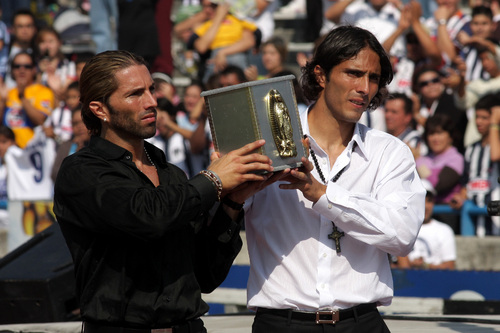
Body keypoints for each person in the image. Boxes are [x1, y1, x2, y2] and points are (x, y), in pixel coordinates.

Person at [53, 50, 275, 332]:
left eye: (151, 89)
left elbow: (205, 275)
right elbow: (148, 215)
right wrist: (214, 179)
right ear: (100, 110)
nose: (151, 102)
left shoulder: (172, 175)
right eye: (135, 94)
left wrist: (232, 202)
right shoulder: (81, 172)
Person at [242, 26, 425, 332]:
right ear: (321, 75)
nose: (365, 88)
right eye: (353, 73)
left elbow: (402, 236)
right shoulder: (266, 142)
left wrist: (323, 195)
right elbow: (222, 220)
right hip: (282, 323)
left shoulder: (389, 152)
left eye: (374, 78)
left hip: (361, 322)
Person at [450, 94, 500, 235]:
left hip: (496, 224)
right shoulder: (471, 149)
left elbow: (495, 155)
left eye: (485, 118)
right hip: (474, 223)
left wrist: (495, 124)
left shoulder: (497, 147)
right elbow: (467, 183)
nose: (478, 122)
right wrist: (461, 196)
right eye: (477, 117)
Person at [0, 51, 55, 148]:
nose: (22, 70)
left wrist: (22, 97)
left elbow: (39, 120)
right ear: (12, 70)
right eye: (17, 66)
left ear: (34, 69)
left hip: (31, 152)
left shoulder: (43, 91)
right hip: (8, 153)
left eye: (27, 66)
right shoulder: (7, 92)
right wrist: (1, 101)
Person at [406, 180, 456, 269]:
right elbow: (402, 267)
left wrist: (425, 265)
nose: (425, 206)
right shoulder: (404, 228)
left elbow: (450, 266)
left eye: (429, 200)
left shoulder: (444, 230)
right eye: (421, 200)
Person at [384, 92, 426, 159]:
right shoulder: (382, 136)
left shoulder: (414, 140)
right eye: (386, 111)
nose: (388, 115)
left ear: (408, 117)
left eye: (394, 112)